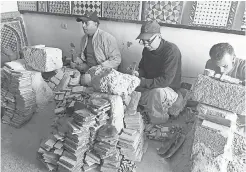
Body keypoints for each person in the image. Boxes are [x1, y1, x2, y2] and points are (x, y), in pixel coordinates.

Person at [134, 20, 182, 124]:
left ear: (159, 36)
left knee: (157, 92)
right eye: (143, 41)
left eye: (148, 41)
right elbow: (142, 68)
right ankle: (143, 113)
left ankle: (158, 122)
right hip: (151, 85)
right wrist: (138, 74)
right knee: (128, 87)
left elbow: (165, 81)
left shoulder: (171, 51)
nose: (146, 44)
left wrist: (141, 81)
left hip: (167, 90)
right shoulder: (147, 50)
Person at [205, 43, 246, 132]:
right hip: (217, 107)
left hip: (240, 112)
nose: (221, 71)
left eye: (225, 66)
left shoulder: (244, 68)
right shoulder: (210, 64)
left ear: (233, 58)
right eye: (217, 66)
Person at [73, 11, 121, 85]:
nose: (83, 26)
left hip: (104, 74)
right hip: (89, 71)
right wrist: (77, 61)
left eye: (86, 23)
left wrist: (100, 67)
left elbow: (116, 60)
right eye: (82, 23)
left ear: (95, 24)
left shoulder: (107, 38)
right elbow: (84, 57)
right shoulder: (84, 39)